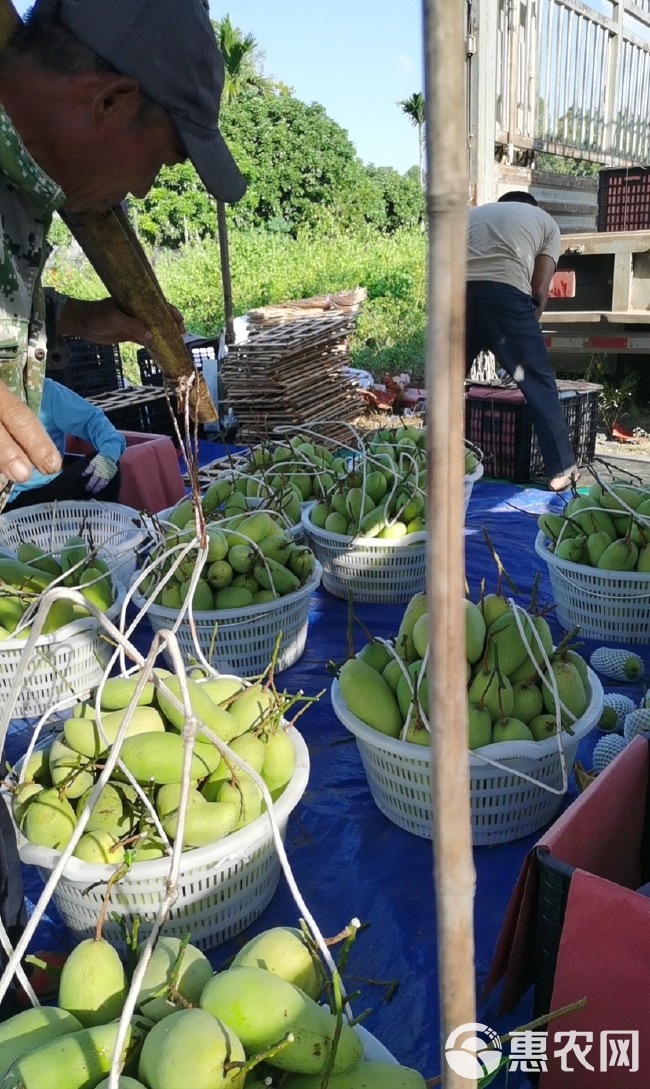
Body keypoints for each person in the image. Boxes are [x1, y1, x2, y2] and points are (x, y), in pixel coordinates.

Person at [0, 0, 246, 1011]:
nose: (151, 186)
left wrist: (69, 318)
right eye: (161, 157)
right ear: (109, 98)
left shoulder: (23, 169)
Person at [465, 191, 578, 491]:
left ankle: (428, 458)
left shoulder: (472, 215)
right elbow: (539, 290)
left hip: (454, 296)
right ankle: (561, 471)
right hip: (505, 295)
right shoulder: (546, 223)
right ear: (533, 209)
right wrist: (524, 337)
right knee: (539, 383)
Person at [3, 378, 127, 509]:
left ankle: (102, 526)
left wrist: (108, 455)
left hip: (49, 490)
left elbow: (94, 421)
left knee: (104, 470)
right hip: (7, 504)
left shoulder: (45, 391)